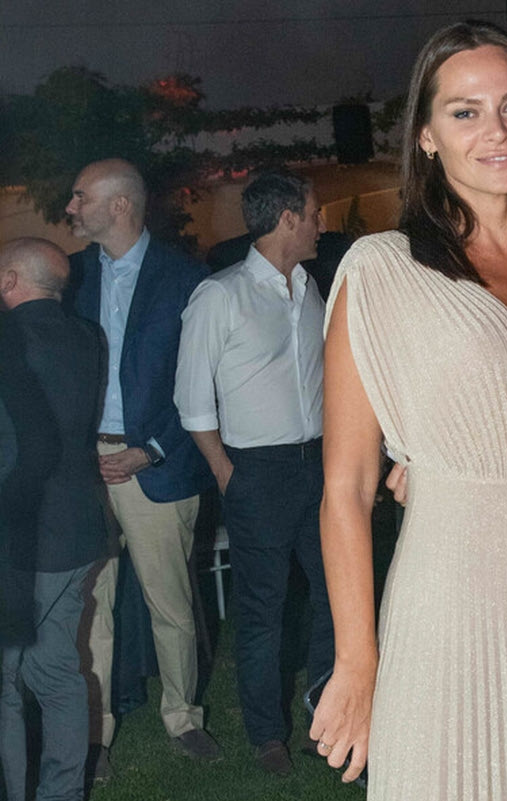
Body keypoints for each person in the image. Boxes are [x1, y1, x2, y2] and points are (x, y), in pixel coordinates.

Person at [309, 22, 507, 798]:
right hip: (451, 591)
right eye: (465, 112)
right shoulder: (380, 270)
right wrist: (356, 660)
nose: (497, 131)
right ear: (426, 135)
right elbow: (346, 487)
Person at [175, 169, 334, 774]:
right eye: (314, 213)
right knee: (263, 610)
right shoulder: (220, 296)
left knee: (336, 595)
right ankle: (268, 734)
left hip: (318, 464)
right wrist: (227, 474)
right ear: (288, 219)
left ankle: (327, 717)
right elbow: (192, 400)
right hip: (256, 473)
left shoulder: (310, 288)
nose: (321, 223)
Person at [65, 158, 219, 765]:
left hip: (158, 464)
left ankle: (183, 718)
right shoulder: (71, 276)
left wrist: (150, 449)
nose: (71, 208)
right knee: (90, 607)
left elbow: (204, 384)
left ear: (120, 205)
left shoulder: (186, 279)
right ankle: (94, 731)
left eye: (81, 197)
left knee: (171, 604)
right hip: (86, 466)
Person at [0, 238, 106, 801]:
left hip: (24, 540)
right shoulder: (87, 337)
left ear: (10, 280)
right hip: (79, 529)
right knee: (57, 672)